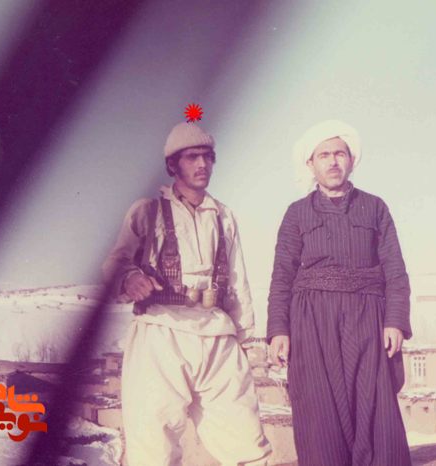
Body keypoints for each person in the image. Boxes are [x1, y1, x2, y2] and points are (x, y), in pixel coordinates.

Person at [103, 122, 271, 466]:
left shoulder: (223, 216)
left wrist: (243, 336)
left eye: (208, 157)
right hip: (161, 333)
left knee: (246, 438)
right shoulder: (147, 211)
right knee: (154, 443)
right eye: (192, 157)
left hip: (216, 336)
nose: (202, 164)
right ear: (172, 165)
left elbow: (237, 279)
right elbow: (115, 263)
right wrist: (130, 278)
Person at [267, 120, 412, 466]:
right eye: (324, 155)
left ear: (351, 160)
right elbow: (282, 274)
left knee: (375, 408)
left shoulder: (375, 207)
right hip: (312, 322)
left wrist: (395, 321)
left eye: (339, 154)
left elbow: (395, 269)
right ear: (310, 164)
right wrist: (278, 330)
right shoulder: (296, 213)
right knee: (320, 412)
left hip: (367, 318)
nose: (333, 162)